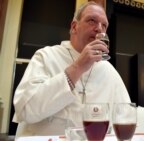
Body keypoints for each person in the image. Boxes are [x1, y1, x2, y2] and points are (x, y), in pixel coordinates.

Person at [13, 1, 131, 137]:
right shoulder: (46, 56)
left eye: (104, 25)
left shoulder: (109, 70)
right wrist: (77, 67)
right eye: (92, 20)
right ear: (74, 27)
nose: (99, 28)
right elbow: (25, 110)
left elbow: (126, 115)